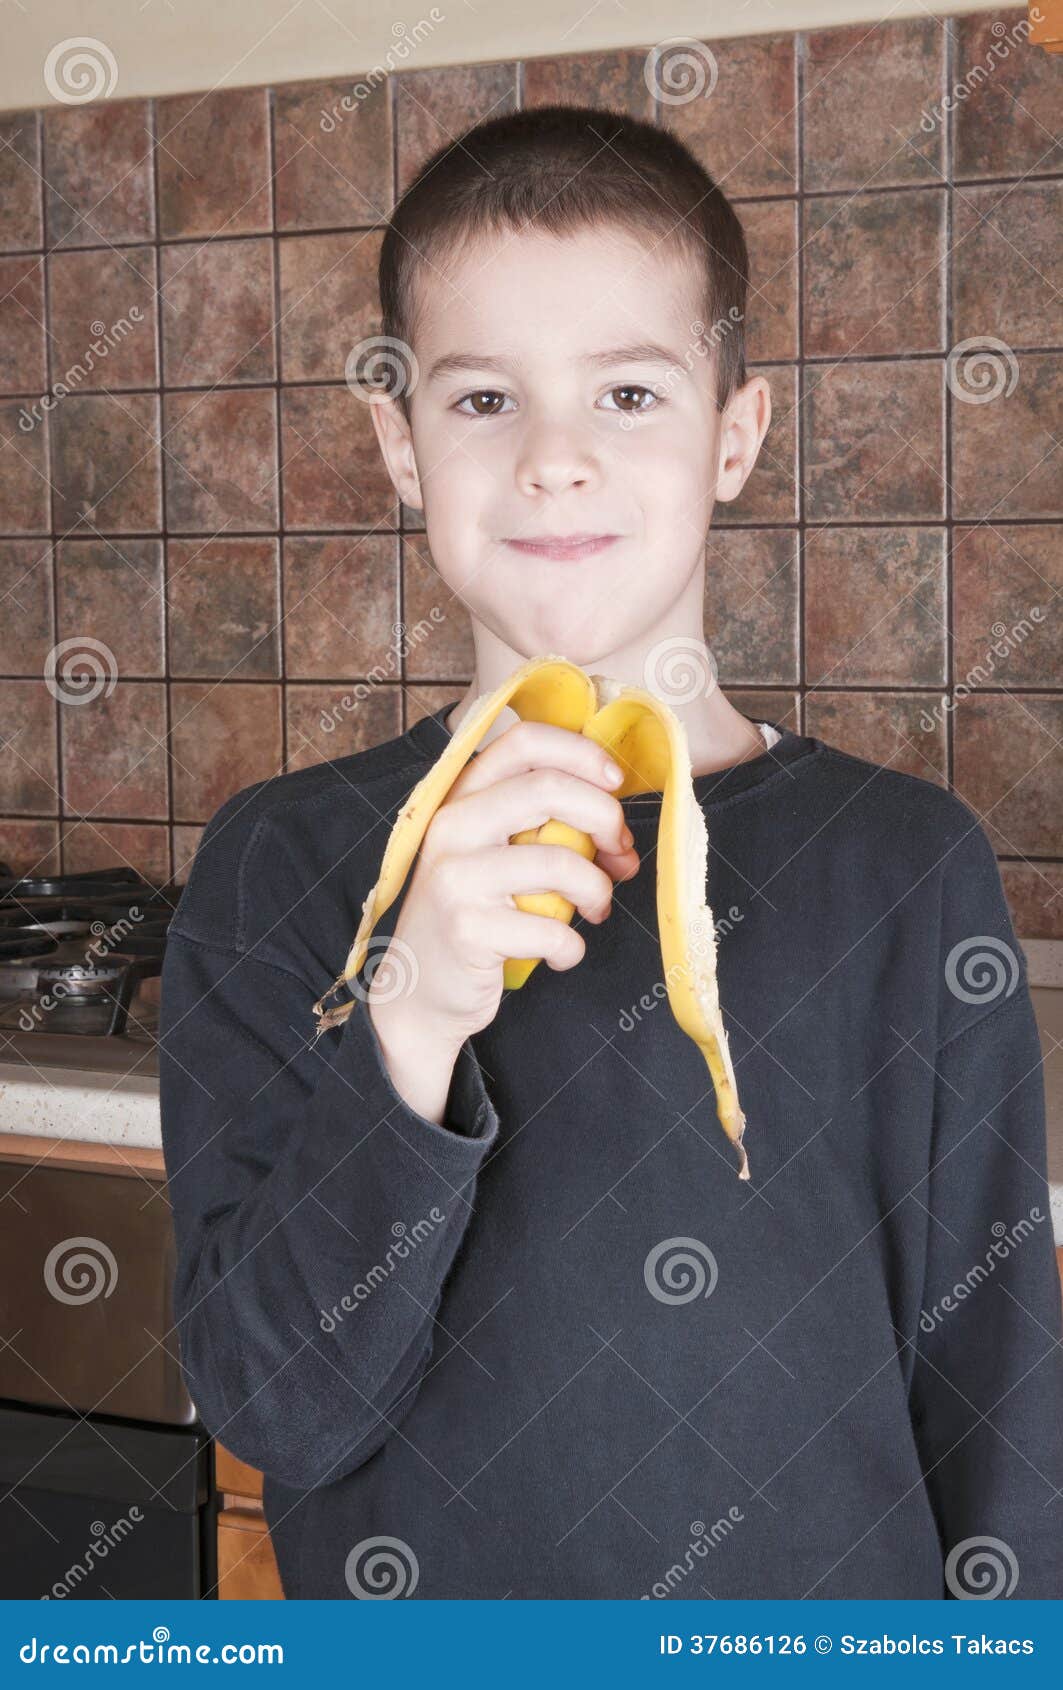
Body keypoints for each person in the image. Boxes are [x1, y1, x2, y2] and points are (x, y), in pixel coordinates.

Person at [158, 104, 1062, 1601]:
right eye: (484, 399)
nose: (556, 460)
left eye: (630, 393)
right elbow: (277, 1410)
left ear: (734, 436)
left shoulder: (908, 870)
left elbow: (1002, 1409)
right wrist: (410, 1015)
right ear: (401, 445)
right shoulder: (278, 865)